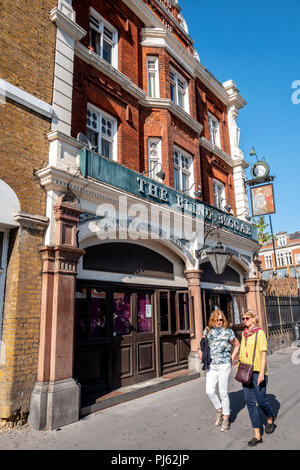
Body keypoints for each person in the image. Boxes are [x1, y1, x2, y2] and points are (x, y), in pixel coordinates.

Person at [198, 309, 240, 432]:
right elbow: (202, 344)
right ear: (213, 320)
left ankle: (226, 418)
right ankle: (219, 410)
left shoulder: (228, 332)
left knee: (223, 392)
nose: (219, 322)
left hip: (224, 365)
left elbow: (237, 345)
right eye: (217, 320)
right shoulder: (207, 331)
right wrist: (201, 352)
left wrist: (231, 358)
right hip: (212, 365)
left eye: (221, 319)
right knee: (209, 391)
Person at [239, 310, 275, 447]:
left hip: (257, 372)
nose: (244, 320)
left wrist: (261, 373)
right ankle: (257, 434)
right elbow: (244, 351)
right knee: (250, 403)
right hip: (245, 372)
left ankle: (270, 417)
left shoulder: (260, 333)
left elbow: (263, 354)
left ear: (254, 319)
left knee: (261, 400)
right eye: (243, 318)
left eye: (247, 318)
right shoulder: (244, 333)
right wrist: (239, 366)